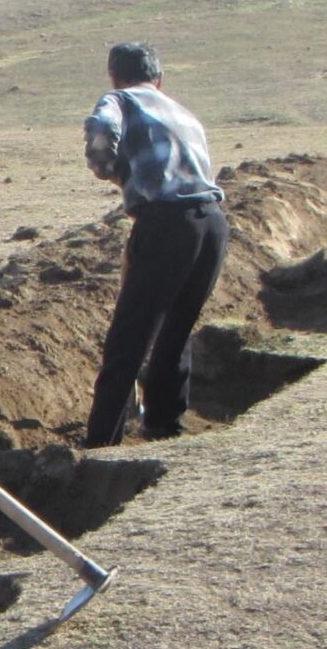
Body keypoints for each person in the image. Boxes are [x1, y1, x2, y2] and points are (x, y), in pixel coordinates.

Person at [82, 41, 227, 448]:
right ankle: (165, 427)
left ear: (114, 75)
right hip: (213, 223)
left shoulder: (120, 100)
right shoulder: (182, 112)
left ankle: (101, 446)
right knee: (175, 330)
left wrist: (108, 170)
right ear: (160, 79)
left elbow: (101, 129)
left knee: (129, 338)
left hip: (166, 223)